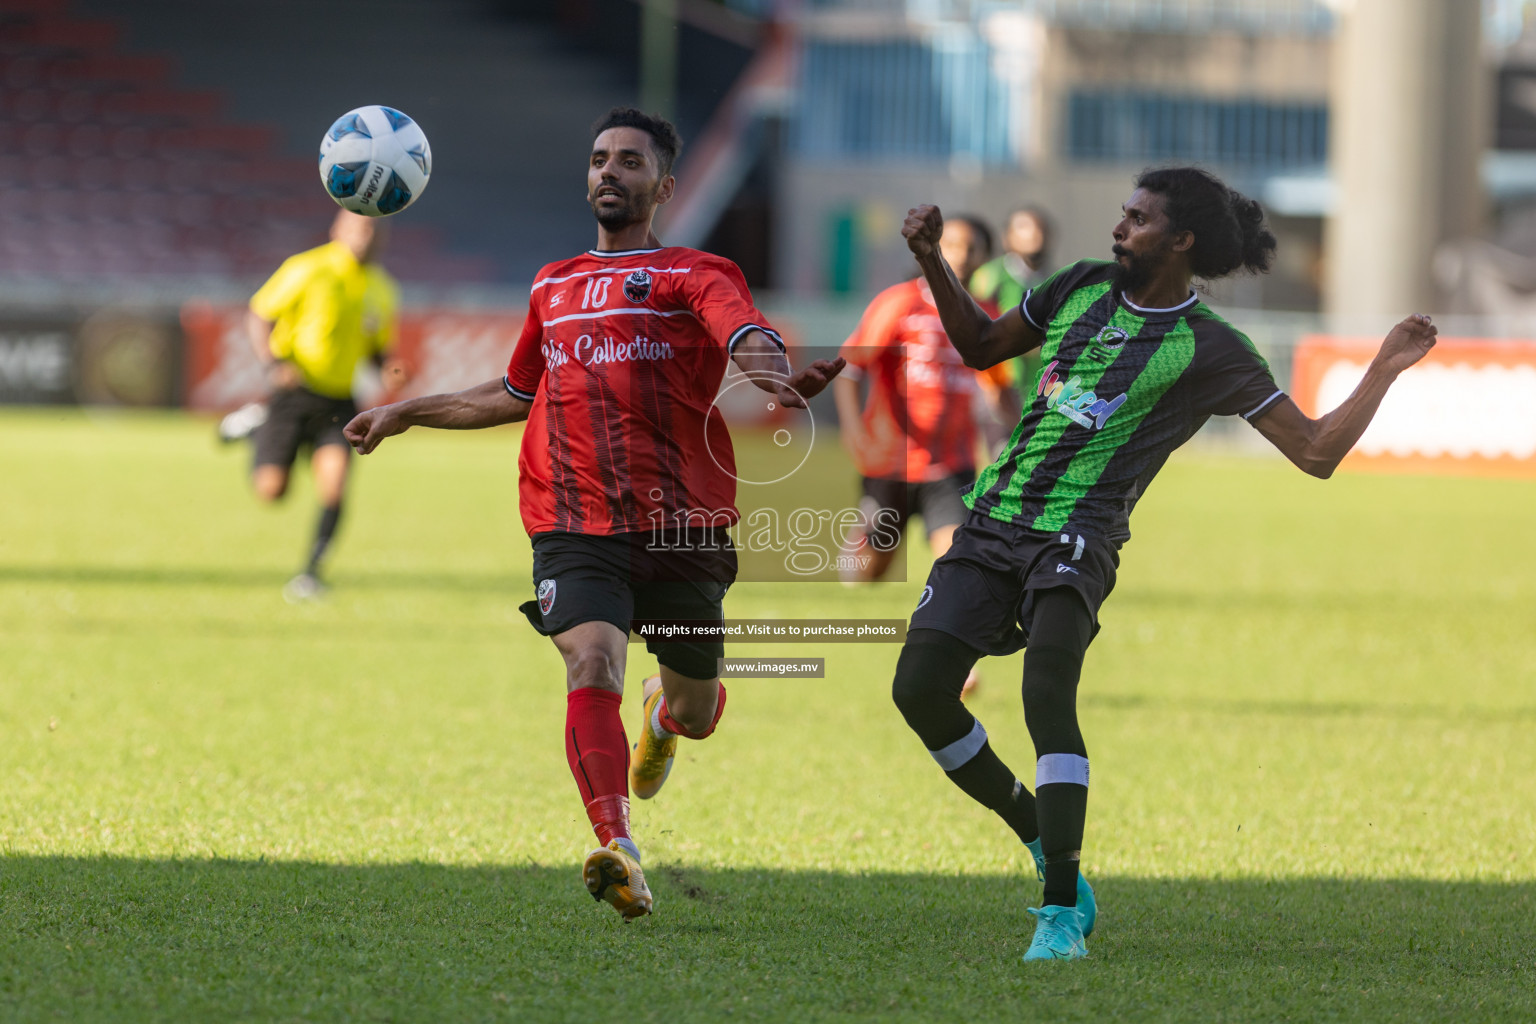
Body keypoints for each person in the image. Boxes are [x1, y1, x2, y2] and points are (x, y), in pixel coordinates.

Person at [892, 167, 1436, 962]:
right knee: (918, 692)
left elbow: (1315, 451)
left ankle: (1058, 915)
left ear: (1181, 241)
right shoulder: (1079, 286)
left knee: (1048, 688)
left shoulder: (1212, 348)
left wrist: (1383, 368)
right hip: (992, 520)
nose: (1121, 226)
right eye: (1123, 212)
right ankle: (1042, 840)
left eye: (1139, 218)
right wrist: (934, 259)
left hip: (1076, 538)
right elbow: (979, 346)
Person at [342, 107, 843, 922]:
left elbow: (747, 336)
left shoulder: (694, 271)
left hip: (683, 525)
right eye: (600, 159)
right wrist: (407, 411)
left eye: (631, 162)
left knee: (694, 709)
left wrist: (772, 372)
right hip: (573, 521)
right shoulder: (553, 283)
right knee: (590, 666)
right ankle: (620, 846)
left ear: (664, 186)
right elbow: (512, 393)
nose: (610, 171)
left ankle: (663, 715)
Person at [227, 209, 405, 601]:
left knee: (335, 487)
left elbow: (377, 347)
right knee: (271, 492)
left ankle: (311, 574)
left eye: (374, 229)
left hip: (340, 401)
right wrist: (274, 364)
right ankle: (258, 429)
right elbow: (259, 314)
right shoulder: (308, 268)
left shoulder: (381, 288)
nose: (366, 236)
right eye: (359, 227)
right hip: (294, 394)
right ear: (337, 229)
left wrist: (389, 367)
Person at [833, 214, 1016, 585]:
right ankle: (857, 552)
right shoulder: (900, 303)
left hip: (952, 465)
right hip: (891, 462)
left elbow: (999, 387)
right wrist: (853, 432)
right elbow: (850, 368)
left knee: (957, 561)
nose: (961, 255)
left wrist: (1016, 444)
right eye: (952, 245)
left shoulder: (987, 316)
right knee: (869, 574)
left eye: (971, 248)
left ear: (984, 257)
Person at [969, 205, 1053, 395]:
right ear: (1007, 237)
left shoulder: (1051, 281)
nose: (1034, 234)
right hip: (996, 386)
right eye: (1024, 227)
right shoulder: (991, 277)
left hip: (1033, 389)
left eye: (1040, 228)